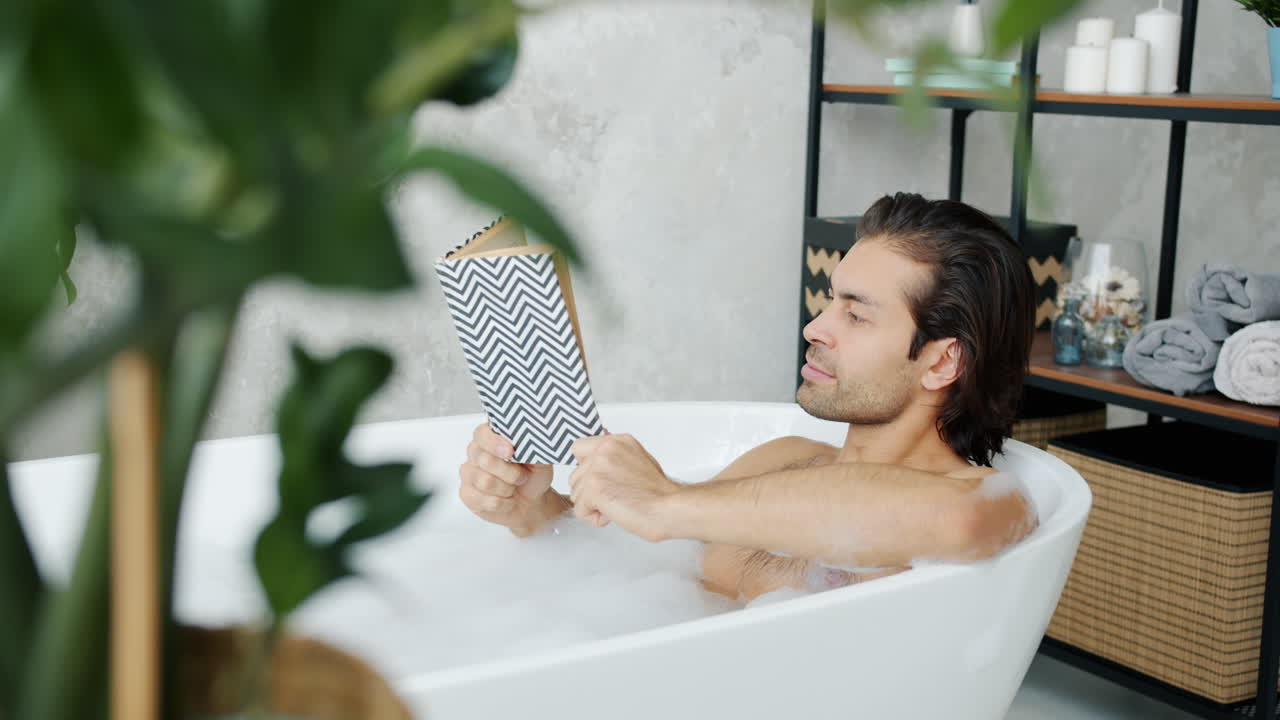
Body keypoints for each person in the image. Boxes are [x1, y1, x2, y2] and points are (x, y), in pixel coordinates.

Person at [457, 192, 1040, 603]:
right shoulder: (781, 459)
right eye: (830, 300)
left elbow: (957, 524)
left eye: (856, 315)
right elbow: (637, 564)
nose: (816, 327)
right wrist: (533, 510)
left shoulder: (987, 502)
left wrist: (663, 501)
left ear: (942, 361)